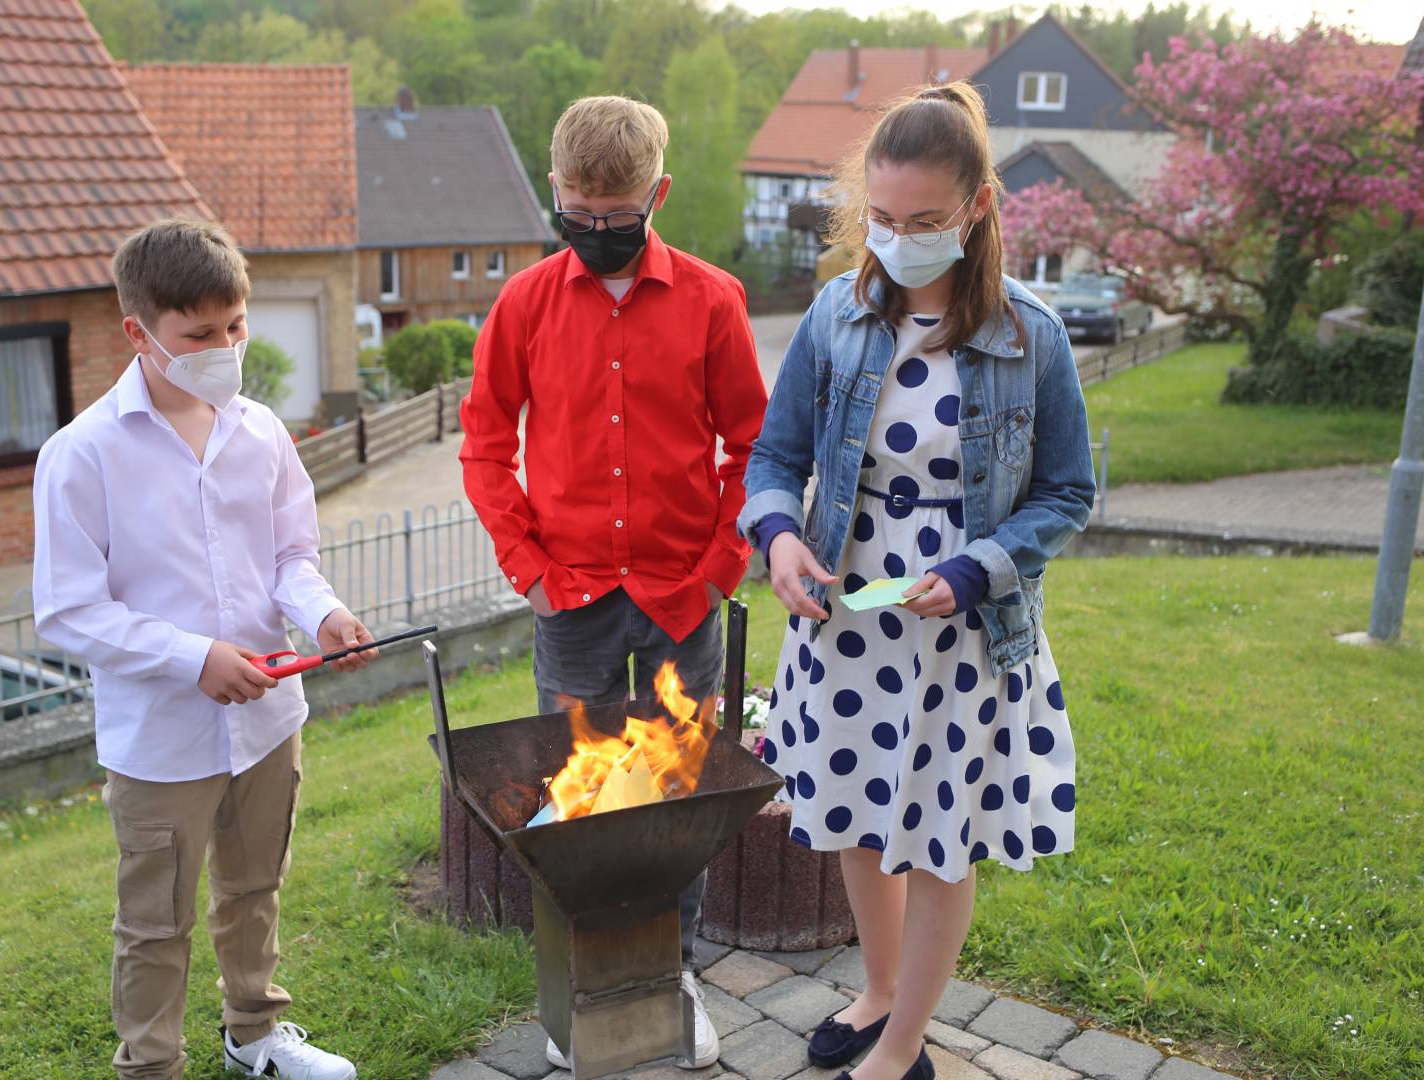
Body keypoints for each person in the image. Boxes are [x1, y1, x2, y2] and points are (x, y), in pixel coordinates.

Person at [737, 82, 1095, 1080]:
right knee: (855, 811)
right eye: (882, 219)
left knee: (941, 840)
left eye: (926, 221)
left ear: (978, 207)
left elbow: (1069, 492)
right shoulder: (837, 317)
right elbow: (773, 459)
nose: (898, 241)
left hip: (963, 632)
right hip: (847, 620)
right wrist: (776, 539)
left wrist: (979, 570)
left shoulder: (1033, 336)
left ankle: (902, 1044)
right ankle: (880, 989)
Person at [459, 95, 769, 1070]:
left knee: (676, 795)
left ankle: (673, 972)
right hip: (574, 605)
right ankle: (594, 978)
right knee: (585, 803)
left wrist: (721, 565)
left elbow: (751, 447)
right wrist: (529, 568)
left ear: (657, 195)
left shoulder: (716, 300)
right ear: (557, 194)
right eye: (577, 217)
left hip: (684, 598)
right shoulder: (522, 305)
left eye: (615, 217)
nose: (595, 234)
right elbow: (481, 446)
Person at [33, 217, 368, 1080]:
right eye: (200, 334)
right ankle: (151, 1066)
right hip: (160, 741)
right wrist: (194, 657)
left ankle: (255, 1034)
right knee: (154, 923)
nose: (225, 347)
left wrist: (324, 613)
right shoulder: (81, 455)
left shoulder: (260, 431)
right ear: (138, 333)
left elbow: (291, 557)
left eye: (236, 326)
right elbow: (67, 613)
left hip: (268, 720)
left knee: (255, 892)